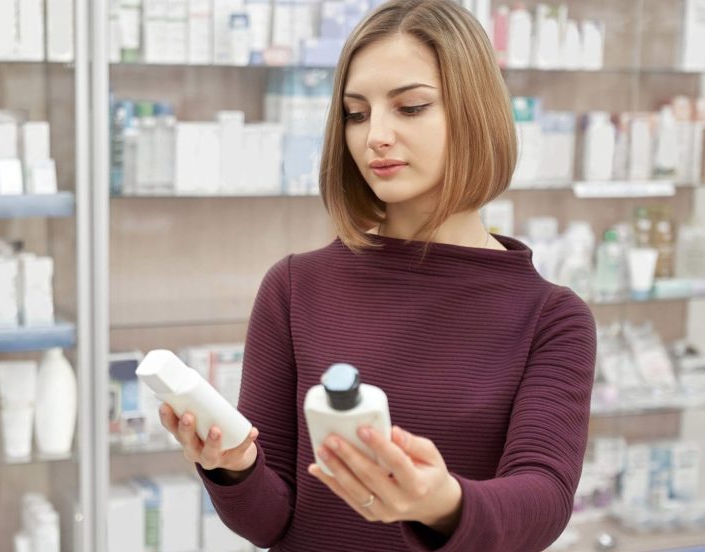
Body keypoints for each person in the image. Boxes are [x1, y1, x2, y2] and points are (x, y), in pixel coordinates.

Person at [157, 0, 597, 550]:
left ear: (474, 112)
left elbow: (545, 501)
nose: (375, 137)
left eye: (410, 108)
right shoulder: (295, 288)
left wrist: (441, 503)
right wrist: (236, 466)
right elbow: (269, 522)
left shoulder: (551, 318)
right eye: (356, 113)